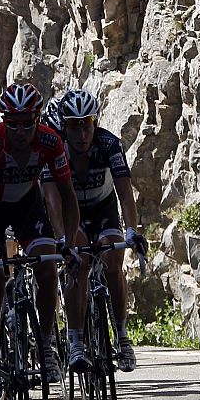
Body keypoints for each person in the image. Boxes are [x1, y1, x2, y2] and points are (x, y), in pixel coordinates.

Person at [0, 82, 80, 400]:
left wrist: (67, 242)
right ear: (3, 120)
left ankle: (45, 342)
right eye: (12, 122)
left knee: (47, 266)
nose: (20, 130)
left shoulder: (50, 141)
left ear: (38, 118)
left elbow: (67, 196)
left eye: (28, 122)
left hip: (27, 206)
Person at [53, 88, 145, 373]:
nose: (81, 133)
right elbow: (52, 201)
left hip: (102, 208)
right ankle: (77, 340)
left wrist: (132, 230)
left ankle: (122, 335)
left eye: (87, 124)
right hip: (72, 214)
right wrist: (61, 239)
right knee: (78, 264)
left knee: (113, 262)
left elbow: (125, 194)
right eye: (73, 125)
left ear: (95, 122)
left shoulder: (109, 144)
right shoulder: (56, 149)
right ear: (63, 126)